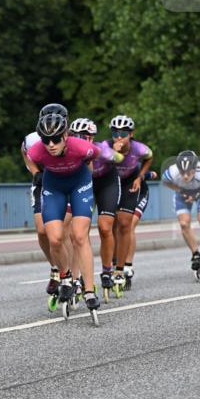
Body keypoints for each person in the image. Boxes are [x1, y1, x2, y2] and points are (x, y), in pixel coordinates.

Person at [24, 104, 101, 310]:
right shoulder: (36, 150)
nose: (51, 144)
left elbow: (94, 156)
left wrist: (89, 179)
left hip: (79, 185)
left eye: (56, 139)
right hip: (54, 186)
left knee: (78, 236)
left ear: (66, 135)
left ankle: (89, 290)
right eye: (46, 139)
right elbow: (28, 157)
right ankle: (65, 277)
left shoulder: (82, 147)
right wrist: (36, 174)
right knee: (55, 238)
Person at [70, 118, 124, 296]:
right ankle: (76, 278)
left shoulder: (101, 149)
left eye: (86, 137)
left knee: (105, 227)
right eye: (77, 136)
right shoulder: (69, 150)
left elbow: (119, 158)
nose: (82, 140)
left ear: (92, 138)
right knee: (79, 233)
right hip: (85, 185)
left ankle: (107, 270)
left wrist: (115, 152)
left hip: (107, 183)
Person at [21, 129, 71, 296]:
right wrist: (36, 172)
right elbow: (24, 152)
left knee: (62, 231)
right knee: (42, 231)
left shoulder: (70, 138)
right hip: (43, 184)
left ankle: (70, 274)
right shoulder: (31, 139)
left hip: (65, 183)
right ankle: (55, 268)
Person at [162, 150, 200, 278]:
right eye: (182, 172)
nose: (185, 176)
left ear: (195, 169)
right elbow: (165, 182)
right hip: (183, 194)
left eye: (189, 172)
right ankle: (195, 254)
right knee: (184, 224)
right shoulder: (172, 172)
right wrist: (180, 190)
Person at [110, 116, 153, 289]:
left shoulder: (139, 149)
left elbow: (150, 157)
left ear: (131, 134)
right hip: (115, 186)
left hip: (134, 187)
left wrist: (142, 175)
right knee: (112, 225)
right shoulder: (107, 147)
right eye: (115, 133)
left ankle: (127, 264)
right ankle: (115, 261)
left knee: (127, 225)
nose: (119, 137)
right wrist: (114, 153)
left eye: (123, 134)